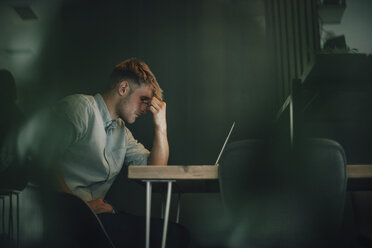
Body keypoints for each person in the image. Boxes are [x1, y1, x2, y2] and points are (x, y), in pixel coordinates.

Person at [44, 58, 189, 247]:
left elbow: (156, 172)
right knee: (171, 236)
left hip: (99, 217)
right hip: (66, 219)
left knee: (176, 233)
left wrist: (161, 126)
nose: (146, 109)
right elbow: (42, 158)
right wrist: (81, 209)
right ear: (123, 88)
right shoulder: (79, 108)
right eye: (143, 100)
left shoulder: (122, 133)